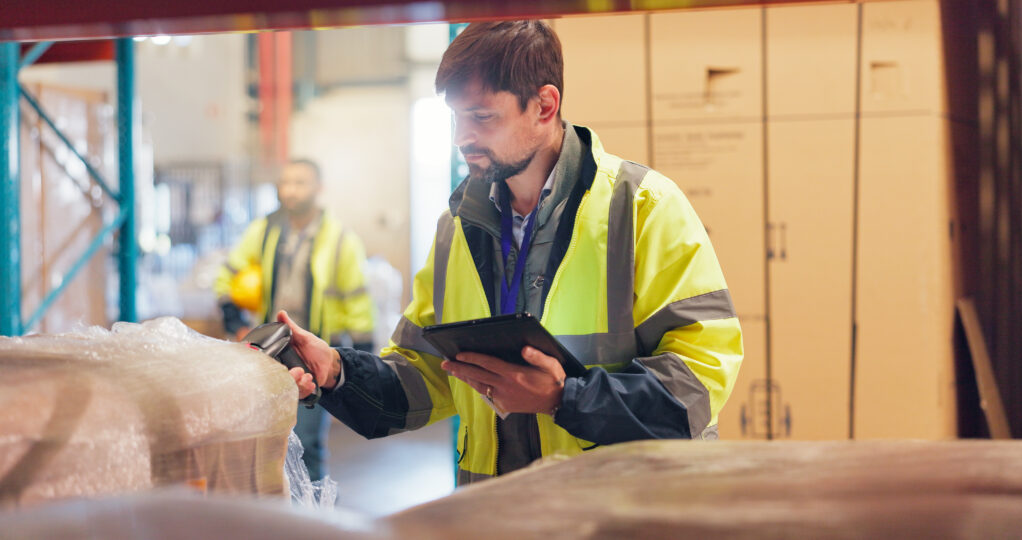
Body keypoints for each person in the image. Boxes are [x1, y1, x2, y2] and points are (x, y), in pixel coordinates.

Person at [278, 20, 743, 485]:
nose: (462, 136)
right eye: (456, 117)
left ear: (545, 106)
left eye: (482, 117)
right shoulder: (458, 228)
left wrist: (563, 397)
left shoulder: (643, 208)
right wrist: (336, 371)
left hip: (619, 508)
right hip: (496, 508)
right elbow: (426, 376)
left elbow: (699, 380)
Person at [215, 158, 375, 480]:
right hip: (270, 350)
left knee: (306, 442)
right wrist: (236, 323)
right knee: (266, 441)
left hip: (315, 352)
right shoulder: (264, 231)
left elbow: (358, 304)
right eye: (285, 182)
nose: (290, 190)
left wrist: (362, 374)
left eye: (300, 182)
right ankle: (277, 506)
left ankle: (314, 506)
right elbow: (227, 276)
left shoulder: (341, 240)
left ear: (319, 188)